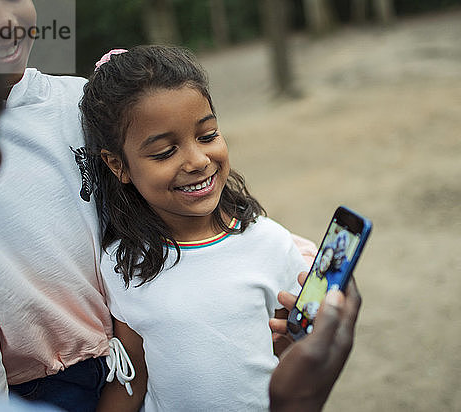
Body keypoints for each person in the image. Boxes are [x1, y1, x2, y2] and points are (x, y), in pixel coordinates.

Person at [0, 2, 361, 411]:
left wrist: (295, 257)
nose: (3, 18)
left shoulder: (81, 104)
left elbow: (217, 223)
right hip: (37, 383)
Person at [80, 45, 310, 411]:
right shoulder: (122, 265)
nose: (198, 160)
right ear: (117, 165)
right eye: (164, 152)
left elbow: (299, 358)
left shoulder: (272, 244)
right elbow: (132, 378)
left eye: (207, 135)